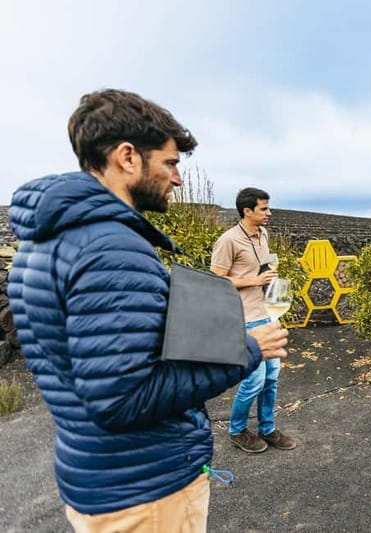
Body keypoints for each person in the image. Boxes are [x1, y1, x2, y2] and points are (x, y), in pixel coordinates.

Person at [7, 89, 288, 532]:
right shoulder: (111, 249)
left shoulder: (43, 242)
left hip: (104, 476)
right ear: (127, 157)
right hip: (147, 491)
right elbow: (122, 399)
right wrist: (246, 349)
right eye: (171, 163)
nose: (178, 179)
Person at [211, 188, 297, 453]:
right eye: (264, 209)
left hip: (269, 314)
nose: (269, 213)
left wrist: (270, 275)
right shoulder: (229, 240)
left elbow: (260, 268)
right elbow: (214, 279)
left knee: (271, 378)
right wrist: (254, 280)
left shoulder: (263, 234)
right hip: (246, 319)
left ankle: (267, 428)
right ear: (247, 211)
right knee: (254, 381)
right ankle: (237, 430)